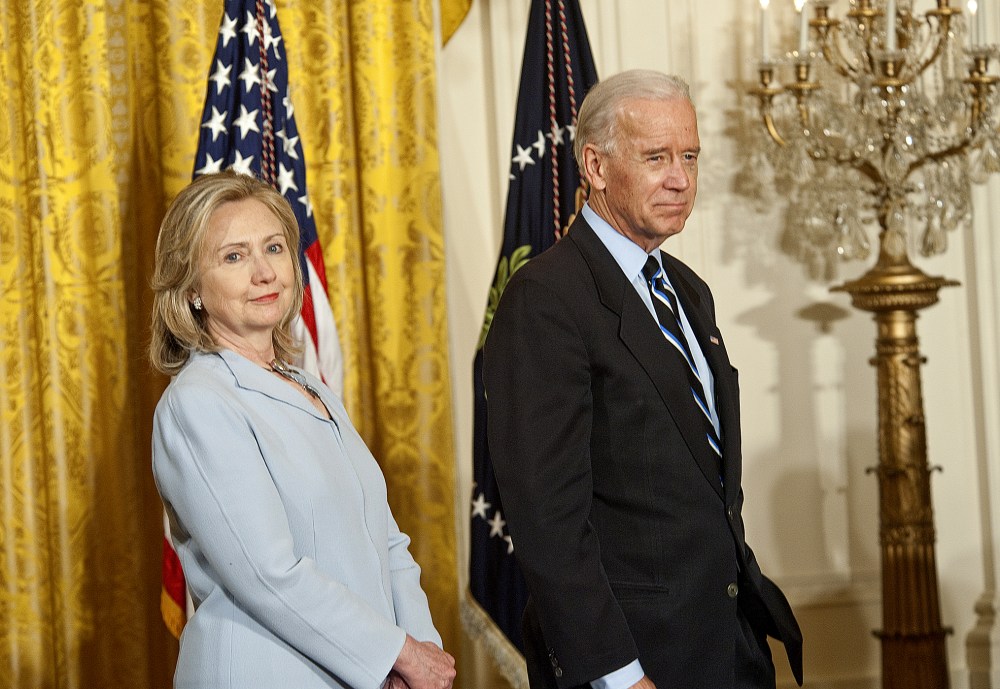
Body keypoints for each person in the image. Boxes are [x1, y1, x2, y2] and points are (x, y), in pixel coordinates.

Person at [483, 70, 803, 689]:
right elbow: (548, 519)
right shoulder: (546, 298)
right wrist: (617, 674)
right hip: (634, 660)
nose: (680, 178)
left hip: (727, 646)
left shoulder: (688, 289)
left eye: (690, 157)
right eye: (656, 157)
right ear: (595, 167)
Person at [149, 170, 456, 689]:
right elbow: (268, 572)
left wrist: (421, 654)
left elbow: (387, 542)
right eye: (234, 256)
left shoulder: (310, 387)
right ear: (192, 288)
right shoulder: (198, 402)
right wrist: (397, 654)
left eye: (273, 248)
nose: (264, 272)